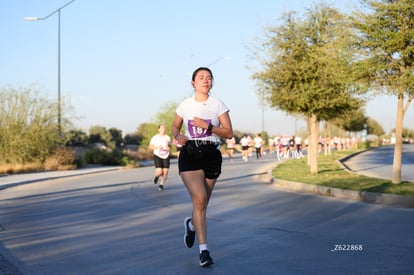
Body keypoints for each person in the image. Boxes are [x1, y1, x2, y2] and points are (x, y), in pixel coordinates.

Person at [172, 67, 233, 267]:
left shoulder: (218, 104)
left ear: (212, 82)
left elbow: (229, 133)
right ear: (193, 83)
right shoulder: (185, 105)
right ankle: (204, 252)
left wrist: (209, 127)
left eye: (208, 78)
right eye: (201, 78)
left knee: (203, 204)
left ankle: (191, 224)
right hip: (190, 154)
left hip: (211, 155)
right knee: (199, 199)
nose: (205, 81)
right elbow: (175, 126)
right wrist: (177, 136)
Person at [149, 124, 171, 191]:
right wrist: (157, 147)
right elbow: (150, 146)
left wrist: (168, 147)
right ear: (158, 129)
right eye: (161, 128)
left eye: (164, 128)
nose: (163, 129)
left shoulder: (167, 137)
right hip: (157, 155)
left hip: (166, 155)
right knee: (159, 172)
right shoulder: (155, 137)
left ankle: (161, 184)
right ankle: (156, 176)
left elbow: (170, 148)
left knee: (165, 172)